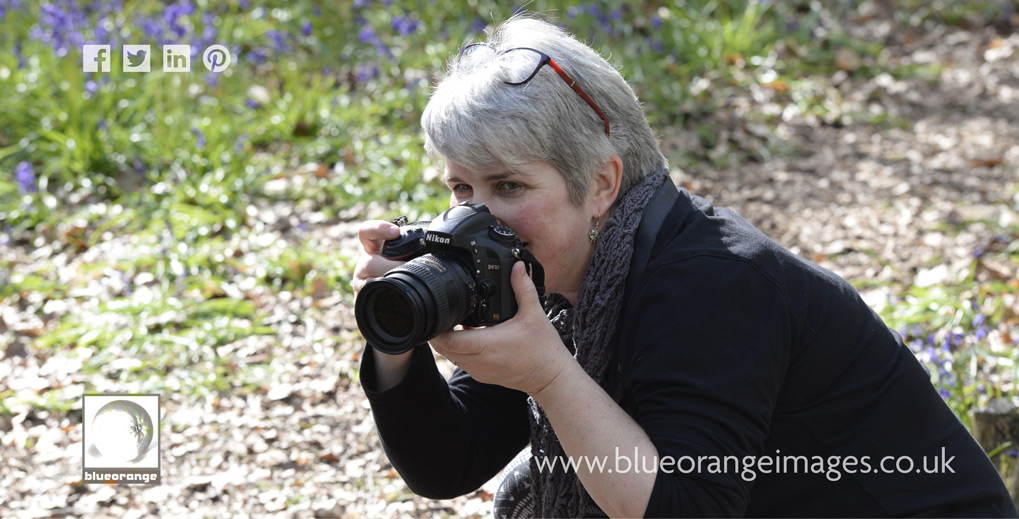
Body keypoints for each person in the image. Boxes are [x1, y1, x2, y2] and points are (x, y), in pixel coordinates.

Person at [352, 15, 1017, 518]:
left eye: (509, 187)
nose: (475, 218)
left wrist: (550, 376)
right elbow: (449, 460)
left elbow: (683, 506)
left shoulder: (712, 280)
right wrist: (396, 339)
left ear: (602, 183)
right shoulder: (552, 275)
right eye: (460, 190)